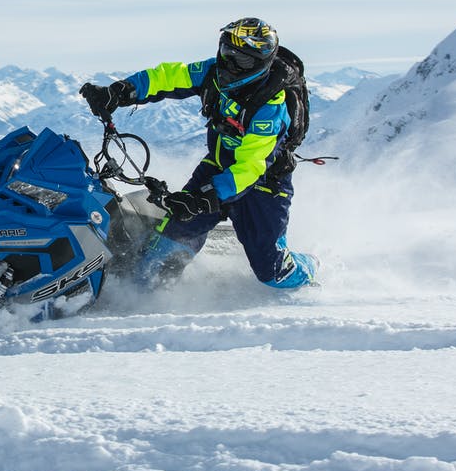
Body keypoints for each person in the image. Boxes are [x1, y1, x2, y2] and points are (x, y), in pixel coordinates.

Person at [79, 17, 318, 289]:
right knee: (153, 263)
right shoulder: (213, 72)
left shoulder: (271, 106)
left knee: (273, 273)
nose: (230, 64)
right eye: (228, 53)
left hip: (263, 186)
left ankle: (310, 268)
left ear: (261, 63)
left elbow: (251, 167)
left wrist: (202, 199)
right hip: (216, 168)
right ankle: (147, 300)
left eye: (243, 61)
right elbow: (168, 76)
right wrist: (119, 92)